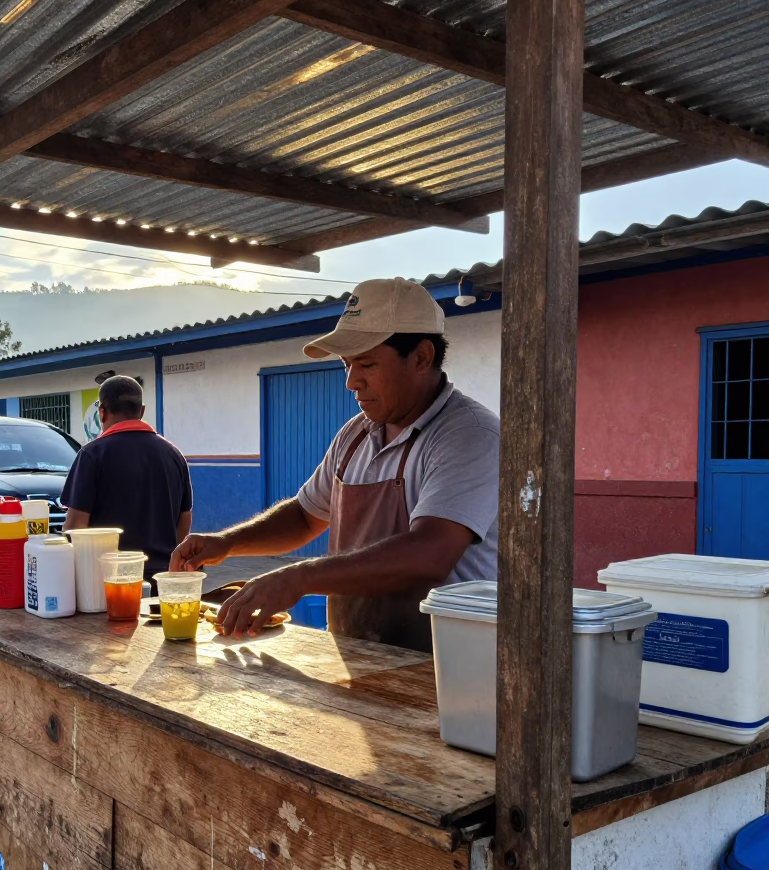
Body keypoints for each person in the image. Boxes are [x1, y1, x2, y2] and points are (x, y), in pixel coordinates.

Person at [171, 277, 500, 649]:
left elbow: (429, 553)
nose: (351, 382)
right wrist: (227, 543)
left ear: (422, 357)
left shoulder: (469, 435)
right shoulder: (357, 433)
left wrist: (298, 577)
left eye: (367, 363)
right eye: (346, 364)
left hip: (447, 663)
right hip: (358, 652)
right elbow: (304, 516)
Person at [62, 375, 192, 578]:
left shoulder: (92, 454)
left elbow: (75, 527)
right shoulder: (173, 454)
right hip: (162, 579)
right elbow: (184, 518)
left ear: (102, 413)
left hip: (109, 581)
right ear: (141, 411)